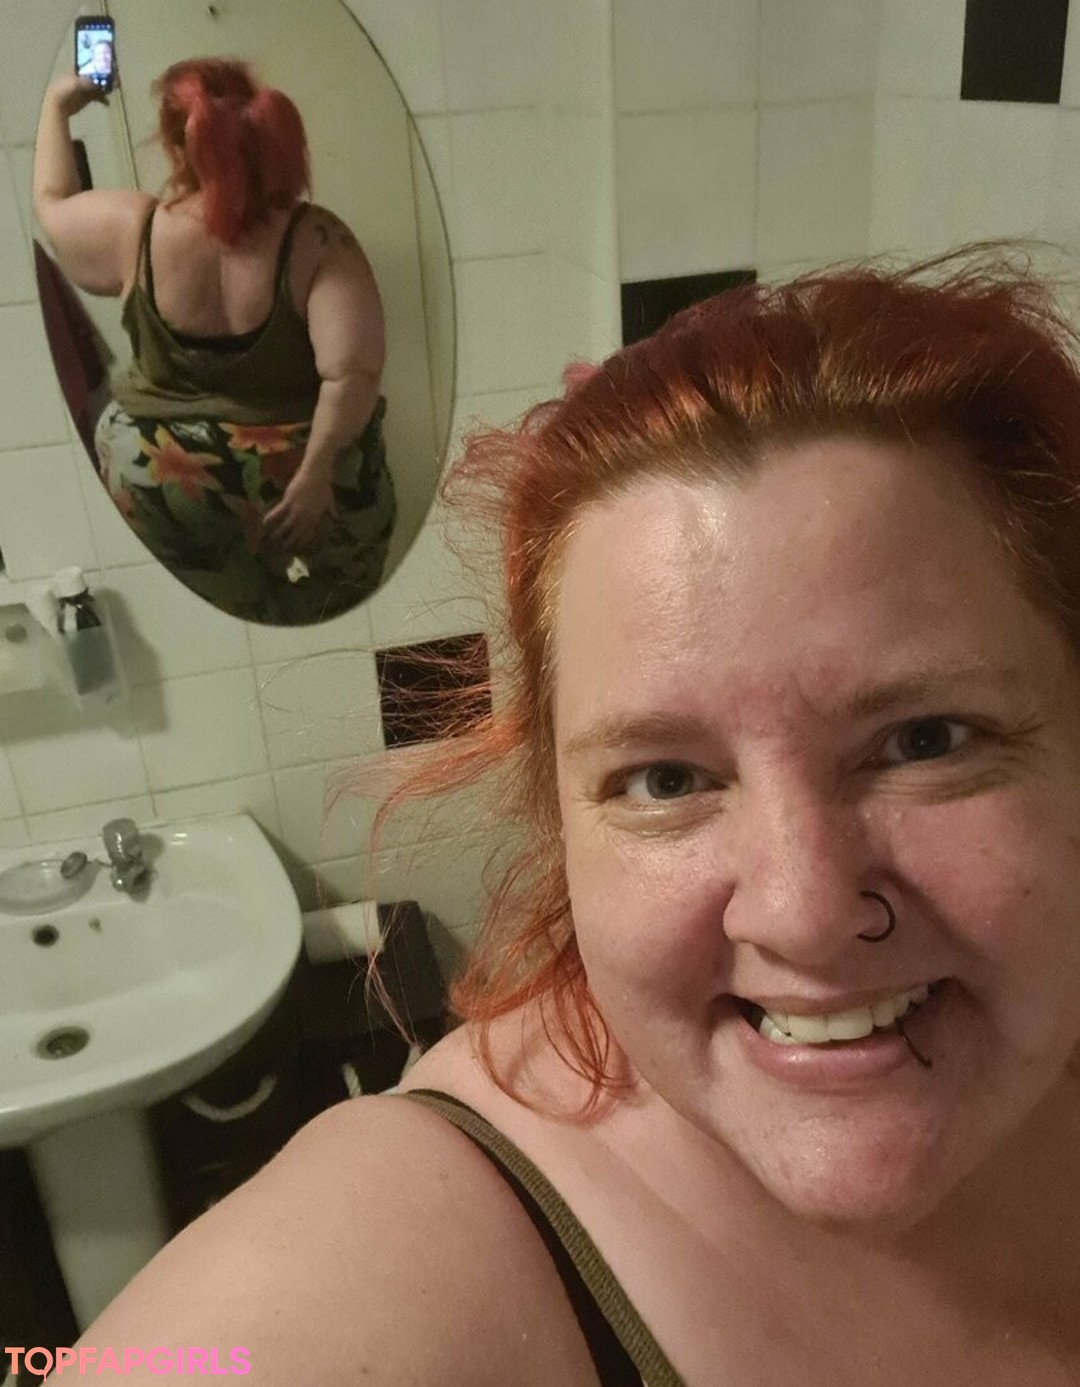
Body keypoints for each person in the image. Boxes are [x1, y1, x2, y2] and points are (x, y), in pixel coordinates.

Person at [79, 252, 1080, 1384]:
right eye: (666, 779)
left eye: (926, 742)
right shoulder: (427, 1239)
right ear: (558, 822)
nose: (802, 912)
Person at [33, 59, 395, 625]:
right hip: (300, 483)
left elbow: (52, 203)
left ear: (176, 147)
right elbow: (352, 373)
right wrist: (315, 475)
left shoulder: (132, 228)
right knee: (341, 618)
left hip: (166, 483)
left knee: (213, 629)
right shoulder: (317, 240)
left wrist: (57, 105)